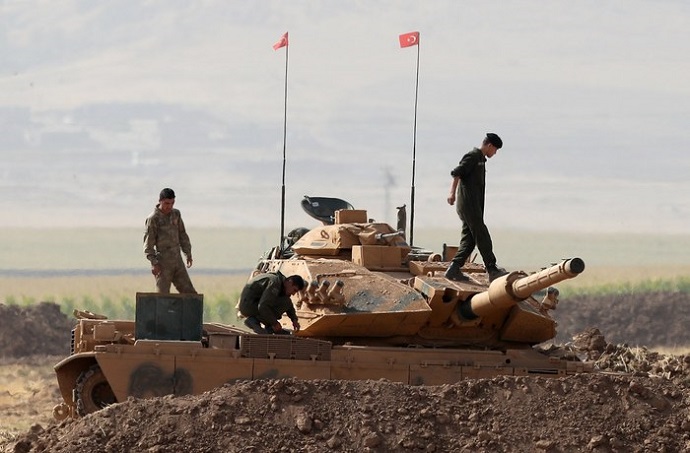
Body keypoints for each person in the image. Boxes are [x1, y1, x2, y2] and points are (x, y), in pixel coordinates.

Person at [445, 133, 508, 282]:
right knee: (482, 234)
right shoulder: (473, 156)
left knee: (470, 240)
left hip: (474, 206)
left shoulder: (480, 160)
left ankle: (453, 269)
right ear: (489, 145)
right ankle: (492, 269)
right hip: (468, 205)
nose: (495, 153)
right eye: (495, 149)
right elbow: (456, 173)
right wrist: (451, 193)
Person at [143, 188, 197, 294]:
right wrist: (154, 263)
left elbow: (182, 235)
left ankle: (190, 311)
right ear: (160, 201)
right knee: (162, 297)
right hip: (163, 263)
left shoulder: (176, 214)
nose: (169, 206)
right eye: (167, 203)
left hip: (177, 261)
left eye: (172, 203)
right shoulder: (153, 219)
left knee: (190, 294)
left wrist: (188, 254)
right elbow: (148, 244)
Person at [239, 272, 305, 334]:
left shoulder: (281, 283)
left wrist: (294, 320)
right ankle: (253, 321)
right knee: (277, 305)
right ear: (290, 282)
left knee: (285, 302)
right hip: (248, 305)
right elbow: (263, 306)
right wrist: (275, 323)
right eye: (294, 290)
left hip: (253, 303)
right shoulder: (275, 283)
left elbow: (288, 304)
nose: (293, 293)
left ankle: (269, 327)